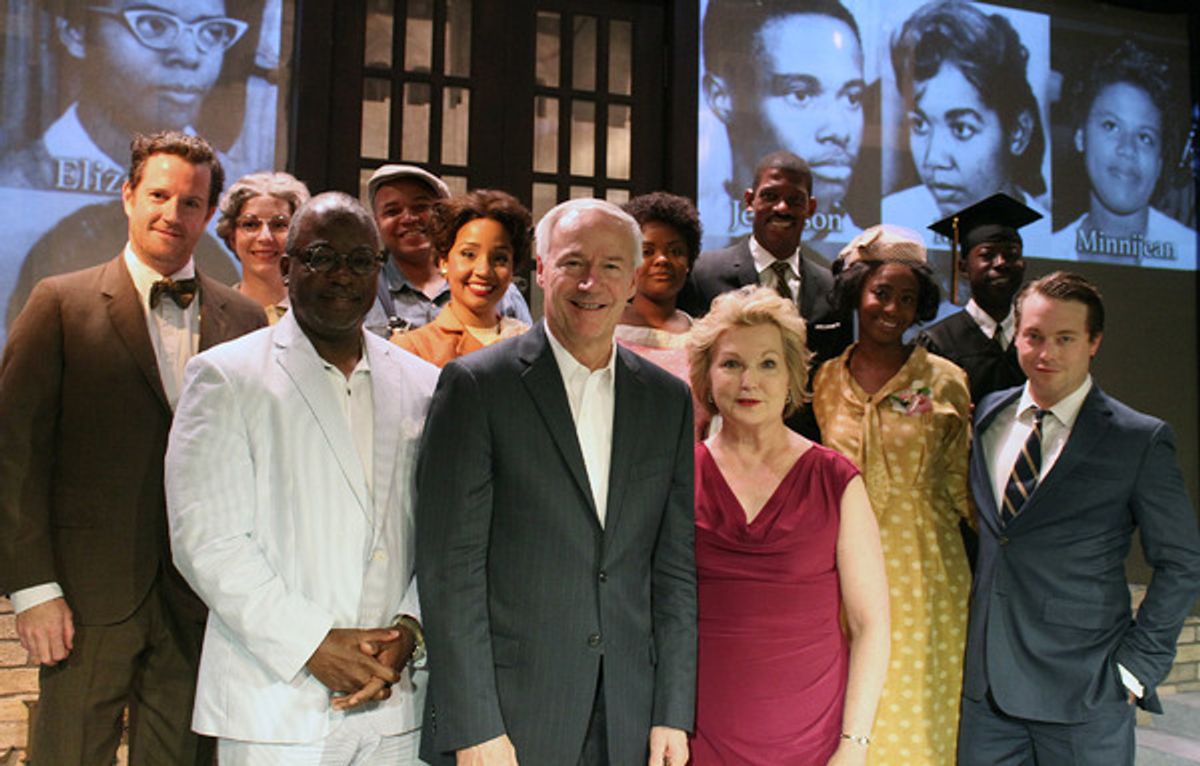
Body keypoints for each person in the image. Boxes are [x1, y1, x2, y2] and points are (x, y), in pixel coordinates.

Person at [0, 130, 265, 764]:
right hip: (85, 597)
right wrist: (33, 588)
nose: (173, 213)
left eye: (191, 202)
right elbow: (14, 454)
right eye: (159, 195)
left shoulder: (245, 320)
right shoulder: (59, 302)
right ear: (127, 196)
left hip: (200, 600)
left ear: (210, 214)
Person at [416, 198, 696, 765]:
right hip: (508, 721)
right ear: (541, 271)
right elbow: (450, 571)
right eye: (572, 263)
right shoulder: (476, 386)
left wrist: (672, 710)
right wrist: (474, 725)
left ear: (633, 279)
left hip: (629, 717)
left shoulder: (668, 400)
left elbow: (673, 571)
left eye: (611, 266)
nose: (591, 282)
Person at [165, 192, 438, 763]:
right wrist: (311, 643)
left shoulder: (423, 383)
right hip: (274, 702)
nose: (343, 275)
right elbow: (207, 541)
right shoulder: (226, 376)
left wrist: (410, 630)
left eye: (360, 261)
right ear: (287, 267)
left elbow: (442, 530)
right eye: (321, 257)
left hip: (397, 701)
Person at [959, 271, 1200, 765]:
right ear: (1017, 336)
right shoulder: (989, 415)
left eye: (1065, 338)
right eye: (1034, 335)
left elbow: (1182, 561)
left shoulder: (1138, 439)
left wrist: (1138, 667)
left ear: (1094, 342)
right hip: (987, 696)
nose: (1046, 352)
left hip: (1085, 693)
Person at [687, 285, 889, 764]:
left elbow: (871, 624)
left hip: (812, 740)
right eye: (731, 364)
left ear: (793, 374)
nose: (749, 382)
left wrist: (854, 745)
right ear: (706, 376)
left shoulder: (836, 480)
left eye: (768, 364)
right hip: (699, 734)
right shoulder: (679, 476)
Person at [812, 225, 972, 765]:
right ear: (856, 291)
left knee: (920, 711)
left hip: (926, 572)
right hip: (840, 573)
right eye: (882, 293)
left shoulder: (945, 380)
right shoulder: (823, 380)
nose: (893, 309)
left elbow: (960, 482)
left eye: (908, 298)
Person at [682, 150, 854, 439]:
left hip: (806, 446)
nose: (782, 208)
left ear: (811, 207)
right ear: (750, 200)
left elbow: (837, 379)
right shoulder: (704, 275)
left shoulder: (833, 287)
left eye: (795, 200)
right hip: (726, 440)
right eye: (770, 196)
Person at [0, 0, 249, 190]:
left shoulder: (236, 186)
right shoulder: (15, 183)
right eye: (154, 25)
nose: (189, 56)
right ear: (76, 31)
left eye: (213, 32)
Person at [883, 0, 1050, 252]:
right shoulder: (891, 220)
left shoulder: (1048, 236)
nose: (933, 159)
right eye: (920, 125)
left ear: (1018, 132)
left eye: (961, 129)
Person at [700, 0, 870, 245]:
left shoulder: (866, 255)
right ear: (722, 97)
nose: (838, 131)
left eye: (852, 98)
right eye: (800, 95)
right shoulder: (699, 249)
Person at [1051, 39, 1195, 269]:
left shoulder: (1190, 253)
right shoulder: (1050, 251)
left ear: (1159, 163)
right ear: (1081, 137)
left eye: (1145, 137)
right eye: (1111, 126)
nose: (1128, 149)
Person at [363, 164, 531, 336]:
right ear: (376, 222)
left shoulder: (500, 292)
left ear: (442, 217)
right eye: (393, 212)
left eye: (420, 207)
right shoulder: (365, 292)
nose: (409, 218)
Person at [918, 193, 1041, 404]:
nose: (1001, 263)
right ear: (963, 267)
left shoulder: (1038, 339)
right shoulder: (938, 342)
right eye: (987, 255)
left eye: (1011, 254)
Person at [394, 189, 531, 366]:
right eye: (469, 254)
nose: (484, 271)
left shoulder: (530, 342)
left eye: (500, 259)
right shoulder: (411, 349)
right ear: (444, 262)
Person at [614, 191, 703, 382]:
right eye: (647, 252)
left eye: (675, 251)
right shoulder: (604, 328)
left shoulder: (702, 337)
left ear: (689, 262)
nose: (662, 260)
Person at [215, 170, 311, 323]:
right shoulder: (212, 314)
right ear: (232, 236)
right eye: (250, 224)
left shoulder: (318, 317)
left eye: (279, 224)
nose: (265, 237)